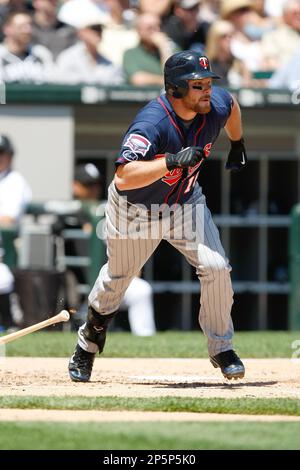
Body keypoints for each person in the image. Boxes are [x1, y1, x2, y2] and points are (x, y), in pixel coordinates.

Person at [68, 49, 247, 383]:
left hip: (185, 203)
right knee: (118, 280)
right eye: (197, 85)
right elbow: (123, 175)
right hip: (136, 209)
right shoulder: (153, 122)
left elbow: (232, 105)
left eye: (208, 82)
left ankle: (222, 348)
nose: (207, 90)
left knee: (217, 267)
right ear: (175, 89)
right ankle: (88, 342)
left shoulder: (214, 105)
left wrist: (237, 143)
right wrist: (170, 161)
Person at [71, 163, 156, 336]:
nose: (93, 189)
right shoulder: (68, 215)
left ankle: (146, 343)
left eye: (95, 184)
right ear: (75, 186)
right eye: (88, 185)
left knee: (141, 290)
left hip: (113, 277)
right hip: (82, 287)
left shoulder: (110, 210)